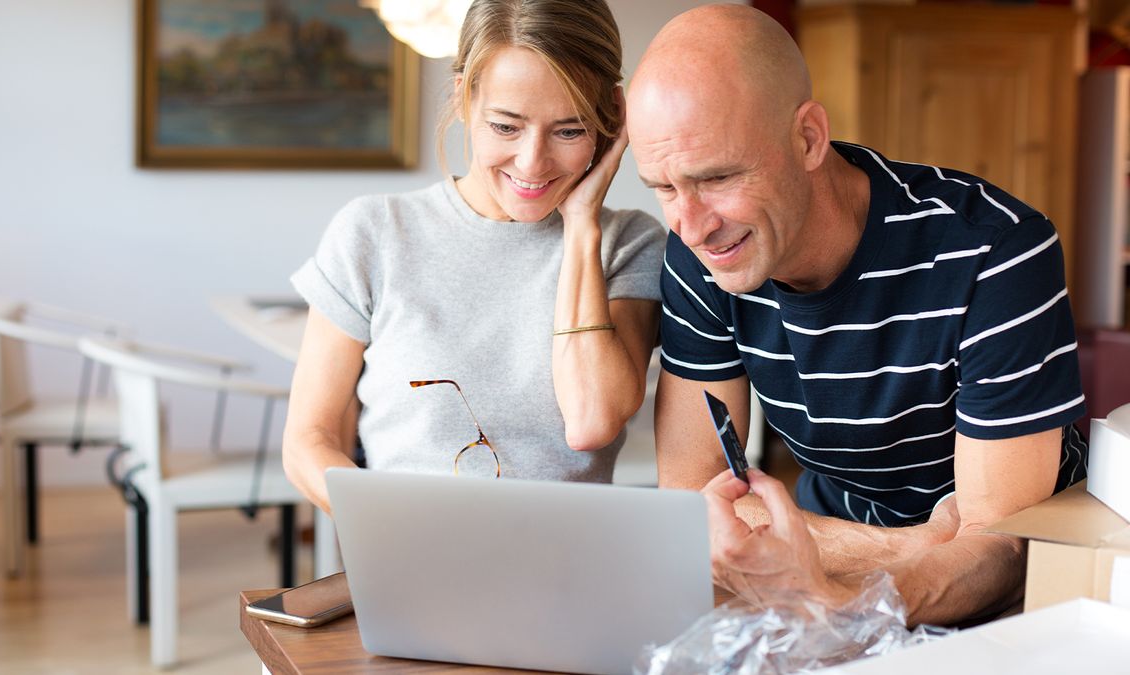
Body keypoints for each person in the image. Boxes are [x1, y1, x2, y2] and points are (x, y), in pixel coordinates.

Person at [626, 4, 1087, 626]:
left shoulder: (994, 251)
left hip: (1014, 595)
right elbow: (690, 502)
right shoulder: (700, 250)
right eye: (663, 186)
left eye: (717, 177)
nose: (692, 224)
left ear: (808, 138)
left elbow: (1001, 546)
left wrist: (843, 600)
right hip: (842, 553)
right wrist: (893, 551)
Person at [283, 0, 666, 513]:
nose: (533, 162)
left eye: (569, 130)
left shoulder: (630, 244)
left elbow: (592, 420)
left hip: (564, 573)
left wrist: (580, 228)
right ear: (464, 96)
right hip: (409, 558)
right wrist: (388, 529)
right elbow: (309, 439)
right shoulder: (373, 232)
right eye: (506, 127)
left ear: (611, 120)